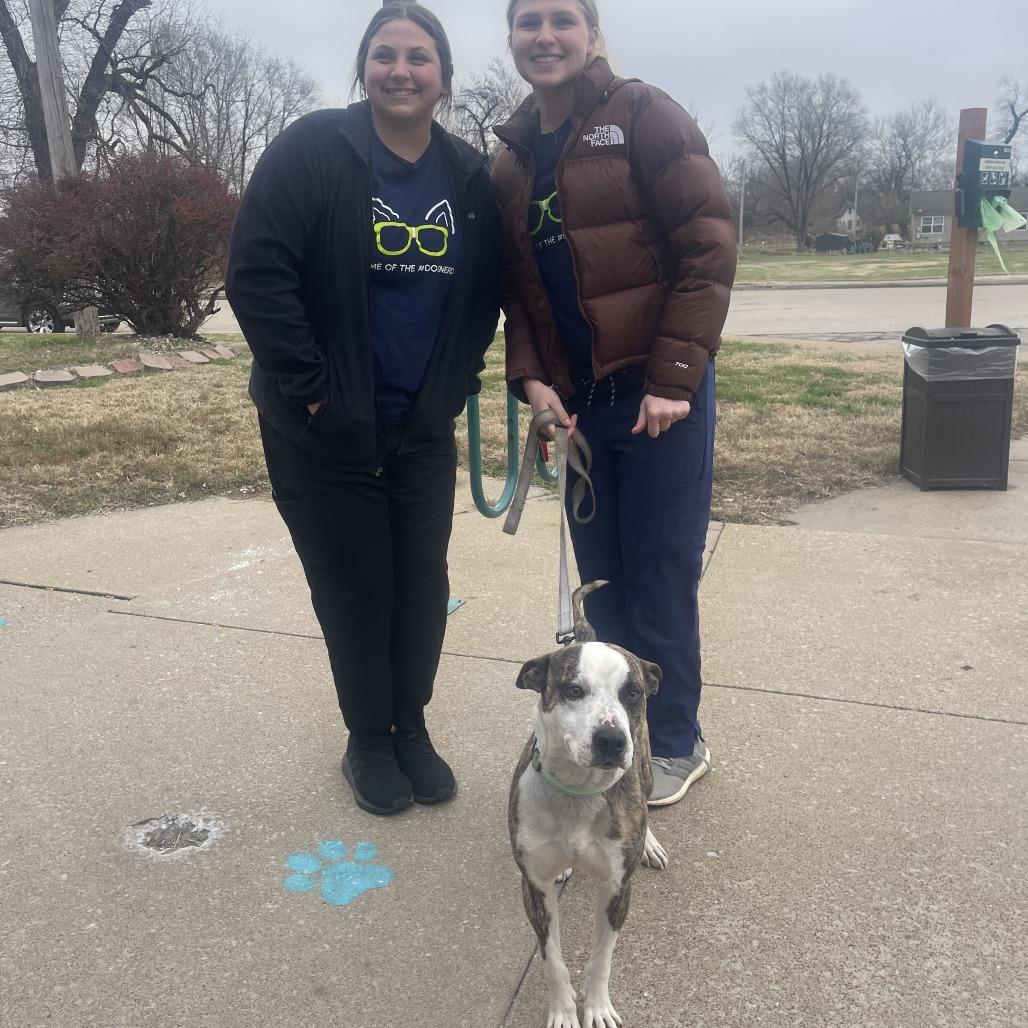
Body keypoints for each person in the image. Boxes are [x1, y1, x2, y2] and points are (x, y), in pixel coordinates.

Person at [225, 3, 500, 817]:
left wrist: (450, 390)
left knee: (421, 586)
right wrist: (313, 387)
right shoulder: (315, 149)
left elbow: (482, 298)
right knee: (356, 588)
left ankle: (410, 727)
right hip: (320, 428)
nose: (401, 70)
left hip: (418, 428)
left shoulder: (468, 177)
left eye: (420, 56)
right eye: (385, 54)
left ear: (444, 77)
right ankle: (368, 741)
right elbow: (258, 274)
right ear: (363, 67)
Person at [493, 0, 736, 805]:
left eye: (563, 19)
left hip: (658, 398)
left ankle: (673, 740)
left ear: (590, 35)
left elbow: (708, 244)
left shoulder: (643, 115)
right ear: (513, 40)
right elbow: (521, 297)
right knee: (603, 584)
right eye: (529, 22)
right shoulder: (513, 157)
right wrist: (533, 382)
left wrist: (674, 379)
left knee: (660, 573)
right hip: (582, 410)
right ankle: (609, 729)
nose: (545, 36)